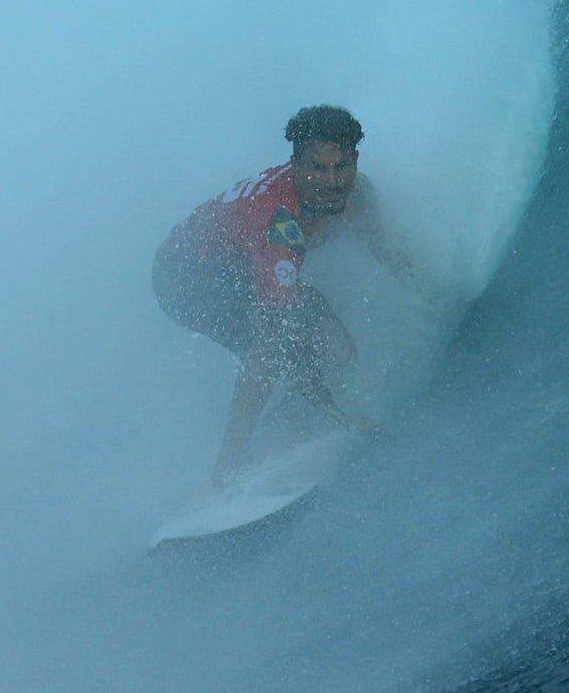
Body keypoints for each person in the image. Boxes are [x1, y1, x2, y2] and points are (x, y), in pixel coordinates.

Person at [153, 104, 413, 481]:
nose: (332, 181)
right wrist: (335, 411)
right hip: (187, 277)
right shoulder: (280, 224)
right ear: (296, 166)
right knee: (278, 347)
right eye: (319, 169)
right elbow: (278, 331)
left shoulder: (359, 194)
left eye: (341, 166)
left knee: (337, 350)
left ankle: (289, 429)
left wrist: (430, 289)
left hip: (240, 264)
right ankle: (230, 463)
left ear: (355, 161)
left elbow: (385, 249)